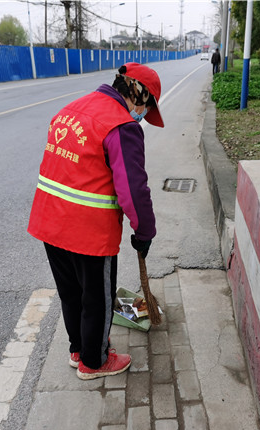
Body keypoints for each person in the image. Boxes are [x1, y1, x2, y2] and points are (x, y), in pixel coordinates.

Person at [28, 62, 163, 380]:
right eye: (146, 107)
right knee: (97, 299)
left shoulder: (71, 110)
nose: (143, 114)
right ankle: (94, 361)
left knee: (71, 293)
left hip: (49, 222)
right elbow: (134, 190)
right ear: (139, 93)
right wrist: (144, 231)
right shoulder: (122, 126)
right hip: (88, 232)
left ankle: (79, 349)